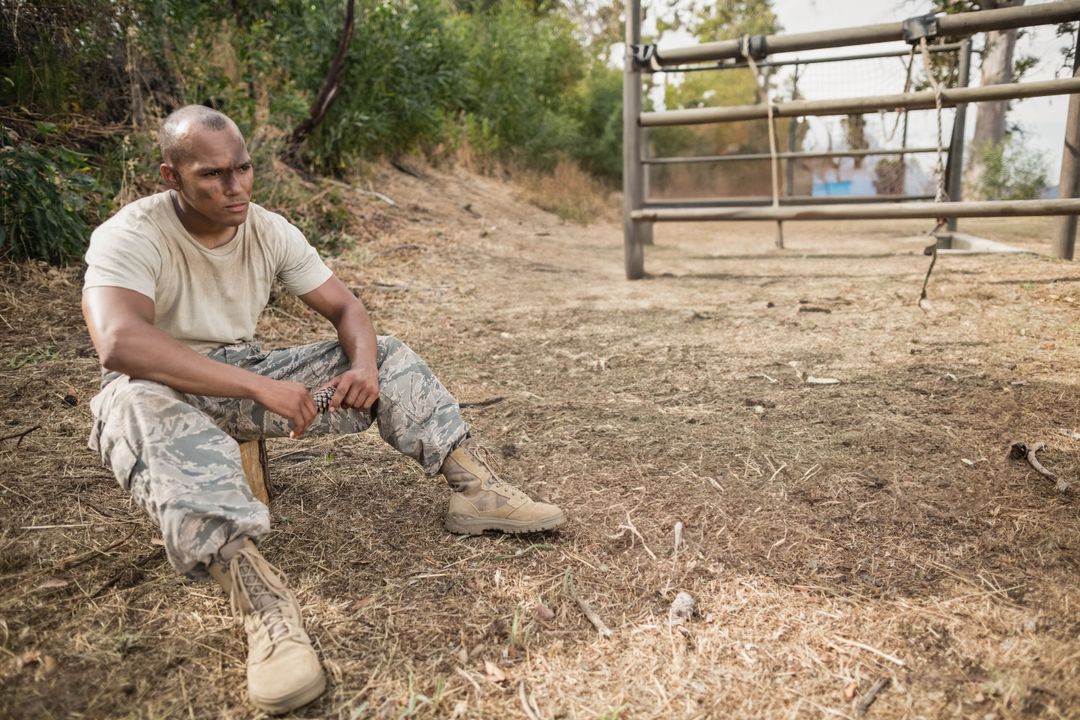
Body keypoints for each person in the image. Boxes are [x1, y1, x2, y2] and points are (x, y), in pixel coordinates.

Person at [81, 105, 565, 715]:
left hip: (244, 372)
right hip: (158, 387)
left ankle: (474, 488)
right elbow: (120, 343)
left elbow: (348, 311)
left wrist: (360, 367)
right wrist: (256, 388)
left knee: (385, 354)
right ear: (170, 177)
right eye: (212, 175)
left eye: (244, 169)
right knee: (133, 400)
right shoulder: (132, 233)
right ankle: (262, 604)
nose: (235, 188)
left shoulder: (268, 229)